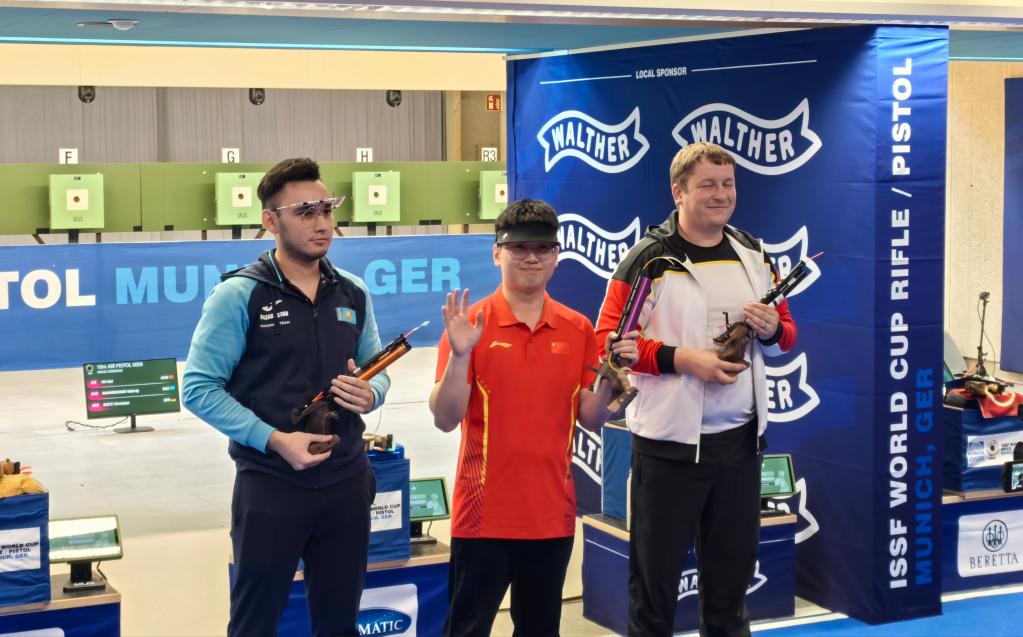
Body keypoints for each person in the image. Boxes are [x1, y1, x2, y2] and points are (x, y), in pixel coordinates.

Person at [595, 142, 798, 637]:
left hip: (739, 447)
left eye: (728, 183)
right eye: (707, 184)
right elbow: (610, 343)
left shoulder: (754, 254)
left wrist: (772, 328)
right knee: (654, 596)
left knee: (730, 595)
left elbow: (788, 334)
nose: (721, 194)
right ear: (678, 192)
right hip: (668, 450)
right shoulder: (649, 259)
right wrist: (684, 360)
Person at [182, 157, 389, 637]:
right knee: (254, 624)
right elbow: (198, 387)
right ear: (270, 221)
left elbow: (376, 370)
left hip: (346, 483)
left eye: (327, 209)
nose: (322, 223)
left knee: (339, 624)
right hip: (271, 485)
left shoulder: (352, 292)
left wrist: (371, 393)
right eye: (305, 212)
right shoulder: (239, 295)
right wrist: (275, 440)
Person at [429, 199, 638, 637]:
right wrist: (460, 356)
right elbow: (445, 419)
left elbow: (591, 418)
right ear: (497, 253)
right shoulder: (469, 326)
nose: (531, 257)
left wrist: (611, 377)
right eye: (518, 247)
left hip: (551, 517)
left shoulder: (577, 328)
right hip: (483, 518)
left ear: (556, 256)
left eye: (543, 248)